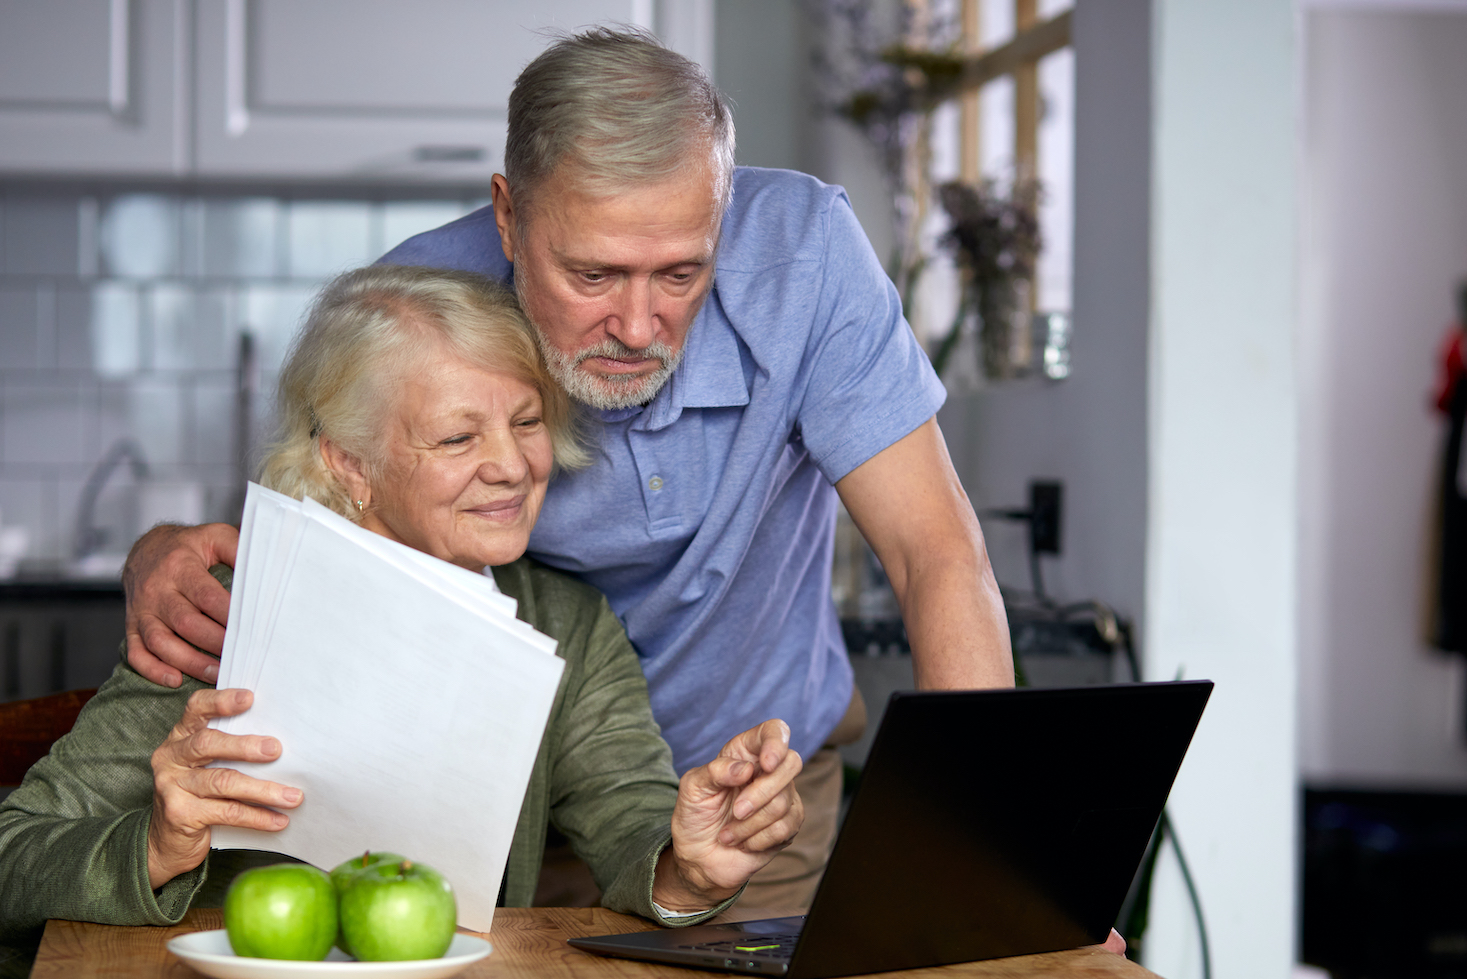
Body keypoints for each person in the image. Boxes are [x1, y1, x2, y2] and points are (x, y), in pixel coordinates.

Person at [120, 27, 1014, 918]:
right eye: (593, 273)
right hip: (487, 821)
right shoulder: (417, 307)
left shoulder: (808, 257)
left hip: (750, 820)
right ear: (508, 217)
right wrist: (159, 551)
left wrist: (986, 863)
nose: (637, 325)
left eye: (681, 273)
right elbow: (310, 551)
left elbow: (936, 552)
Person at [0, 265, 804, 979]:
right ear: (349, 465)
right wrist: (156, 842)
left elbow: (632, 819)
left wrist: (687, 864)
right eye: (456, 435)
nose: (510, 465)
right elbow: (2, 868)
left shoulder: (565, 622)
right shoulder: (227, 605)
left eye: (527, 419)